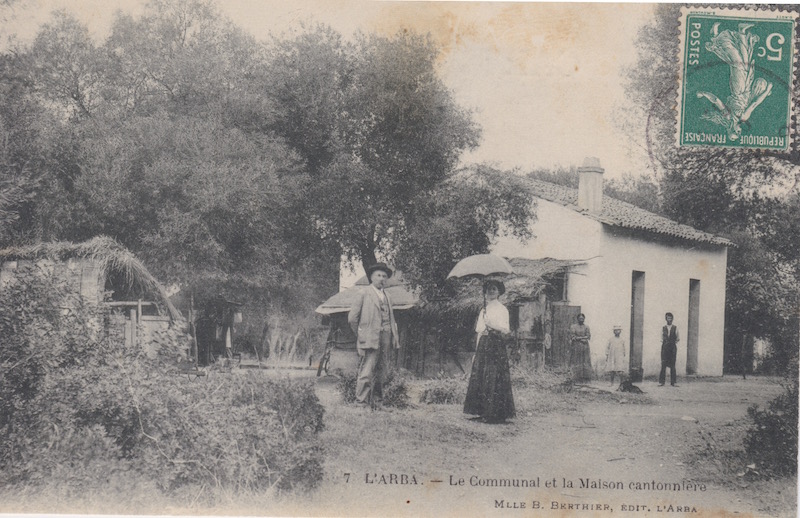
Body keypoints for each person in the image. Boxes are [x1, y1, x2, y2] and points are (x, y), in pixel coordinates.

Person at [464, 280, 515, 423]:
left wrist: (492, 325)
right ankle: (482, 412)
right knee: (481, 376)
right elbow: (479, 331)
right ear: (485, 293)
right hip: (484, 344)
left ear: (499, 292)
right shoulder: (483, 310)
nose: (491, 291)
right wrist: (475, 352)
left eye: (494, 289)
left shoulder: (502, 309)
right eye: (488, 289)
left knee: (494, 377)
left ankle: (495, 414)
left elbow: (506, 329)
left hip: (496, 345)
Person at [348, 263, 400, 406]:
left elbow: (391, 318)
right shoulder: (363, 293)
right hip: (370, 337)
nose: (381, 279)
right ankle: (361, 403)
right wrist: (361, 334)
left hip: (386, 337)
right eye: (378, 275)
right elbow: (352, 318)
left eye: (384, 276)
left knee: (382, 371)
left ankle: (378, 402)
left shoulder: (387, 296)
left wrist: (394, 336)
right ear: (371, 277)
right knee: (367, 370)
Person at [569, 313, 592, 381]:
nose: (581, 319)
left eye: (582, 318)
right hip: (576, 346)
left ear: (584, 319)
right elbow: (573, 337)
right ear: (577, 319)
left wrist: (579, 338)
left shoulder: (586, 327)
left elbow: (588, 336)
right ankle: (576, 377)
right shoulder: (573, 326)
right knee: (576, 361)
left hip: (585, 346)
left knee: (585, 361)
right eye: (580, 318)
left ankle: (585, 377)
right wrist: (582, 338)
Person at [659, 312, 679, 387]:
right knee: (663, 364)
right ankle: (662, 382)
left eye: (670, 318)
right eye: (668, 318)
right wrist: (666, 343)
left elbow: (677, 338)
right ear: (666, 319)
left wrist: (672, 343)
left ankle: (673, 382)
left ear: (672, 319)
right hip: (665, 347)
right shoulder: (663, 328)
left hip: (672, 348)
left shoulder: (675, 328)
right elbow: (661, 338)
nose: (669, 320)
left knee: (673, 364)